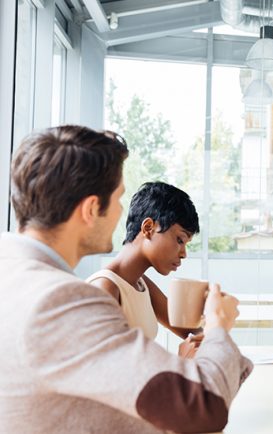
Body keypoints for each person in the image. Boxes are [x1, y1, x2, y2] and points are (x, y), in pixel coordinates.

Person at [0, 125, 253, 433]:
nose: (122, 213)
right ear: (92, 208)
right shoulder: (61, 300)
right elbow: (201, 409)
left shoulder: (13, 277)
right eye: (119, 199)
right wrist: (217, 327)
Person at [87, 182, 203, 358]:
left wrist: (210, 309)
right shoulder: (105, 288)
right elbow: (106, 375)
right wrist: (182, 364)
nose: (184, 254)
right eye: (180, 240)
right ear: (148, 228)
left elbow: (194, 332)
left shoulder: (140, 283)